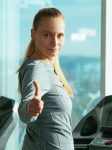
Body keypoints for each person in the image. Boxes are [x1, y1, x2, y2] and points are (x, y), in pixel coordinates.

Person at [18, 7, 74, 150]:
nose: (55, 43)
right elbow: (25, 112)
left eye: (60, 35)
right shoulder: (37, 68)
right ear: (33, 34)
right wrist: (31, 108)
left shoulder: (48, 67)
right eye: (47, 35)